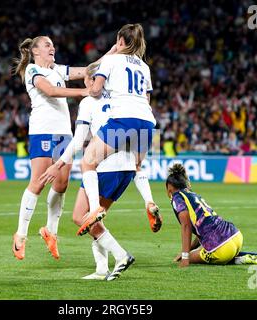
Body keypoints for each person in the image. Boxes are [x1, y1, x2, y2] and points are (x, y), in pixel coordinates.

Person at [40, 63, 162, 280]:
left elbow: (78, 142)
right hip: (126, 168)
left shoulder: (88, 102)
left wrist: (57, 164)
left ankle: (121, 255)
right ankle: (101, 269)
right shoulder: (120, 99)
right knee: (95, 221)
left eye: (87, 80)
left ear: (92, 80)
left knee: (80, 216)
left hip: (103, 166)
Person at [11, 36, 114, 261]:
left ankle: (51, 231)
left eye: (53, 45)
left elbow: (88, 69)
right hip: (42, 131)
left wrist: (113, 51)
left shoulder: (57, 69)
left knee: (61, 183)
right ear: (35, 51)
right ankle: (20, 234)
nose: (52, 48)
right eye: (47, 45)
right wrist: (84, 92)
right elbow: (50, 91)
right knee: (38, 182)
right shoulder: (32, 70)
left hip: (63, 133)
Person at [78, 24, 157, 236]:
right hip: (147, 122)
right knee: (136, 165)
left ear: (120, 41)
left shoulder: (111, 60)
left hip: (123, 118)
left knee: (87, 162)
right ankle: (149, 202)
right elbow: (147, 99)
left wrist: (91, 86)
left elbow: (95, 89)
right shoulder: (144, 67)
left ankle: (95, 208)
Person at [166, 163, 257, 267]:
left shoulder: (176, 197)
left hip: (221, 247)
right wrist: (187, 250)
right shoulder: (193, 196)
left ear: (170, 189)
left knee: (192, 257)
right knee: (221, 250)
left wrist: (186, 257)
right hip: (235, 235)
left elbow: (186, 226)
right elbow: (203, 228)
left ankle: (239, 260)